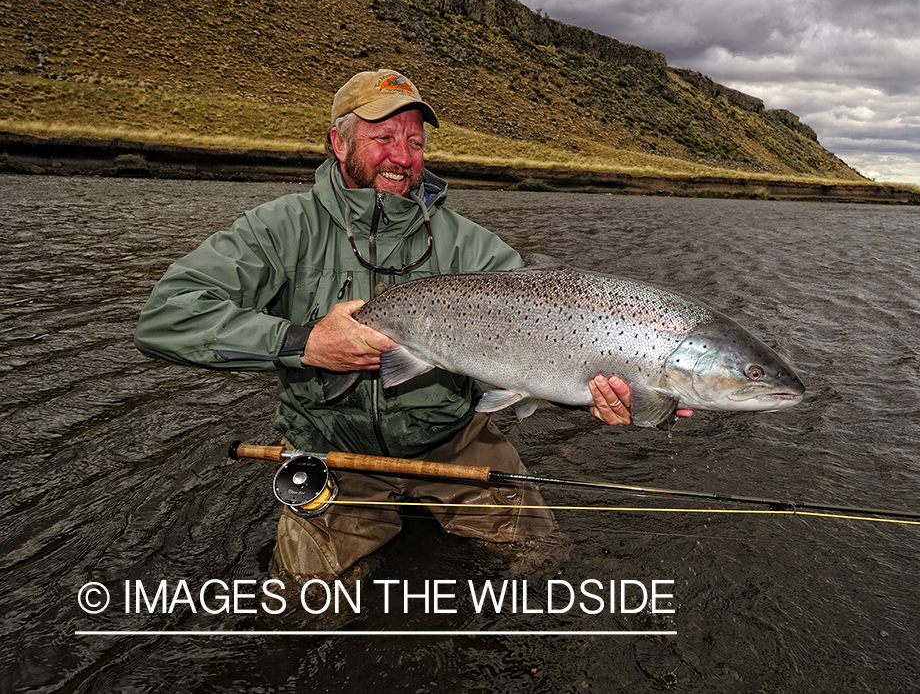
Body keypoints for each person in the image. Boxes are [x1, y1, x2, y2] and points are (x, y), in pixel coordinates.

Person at [134, 69, 655, 582]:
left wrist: (629, 390)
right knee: (304, 607)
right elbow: (166, 317)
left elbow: (557, 326)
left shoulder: (466, 245)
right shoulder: (279, 229)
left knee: (544, 567)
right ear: (339, 144)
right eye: (382, 138)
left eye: (414, 141)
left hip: (453, 441)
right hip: (337, 452)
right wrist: (304, 343)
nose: (402, 157)